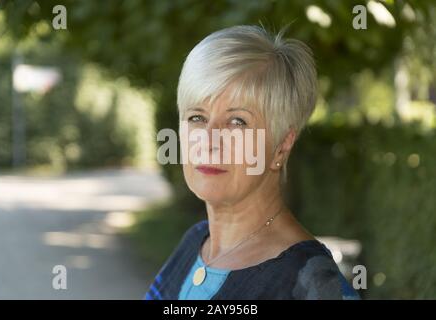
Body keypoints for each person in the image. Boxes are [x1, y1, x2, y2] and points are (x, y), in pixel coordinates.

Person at [144, 25, 360, 300]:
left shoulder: (313, 285)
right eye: (197, 117)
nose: (209, 141)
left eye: (238, 122)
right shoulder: (196, 241)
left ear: (282, 145)